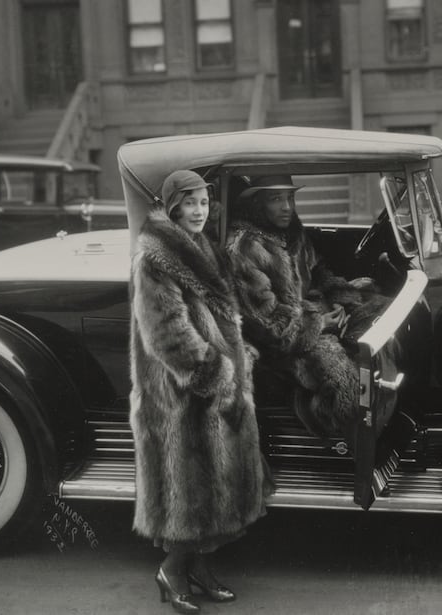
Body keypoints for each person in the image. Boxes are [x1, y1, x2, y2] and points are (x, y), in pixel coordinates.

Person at [129, 169, 273, 614]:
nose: (199, 211)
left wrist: (237, 351)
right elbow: (168, 334)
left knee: (213, 491)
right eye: (190, 203)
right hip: (179, 395)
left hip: (211, 387)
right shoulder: (156, 256)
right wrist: (219, 377)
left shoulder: (200, 245)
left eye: (204, 203)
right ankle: (171, 571)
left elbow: (217, 316)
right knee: (187, 494)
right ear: (172, 206)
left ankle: (198, 569)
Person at [225, 174, 387, 438]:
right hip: (278, 345)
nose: (287, 206)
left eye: (290, 197)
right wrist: (320, 323)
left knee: (380, 311)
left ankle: (381, 418)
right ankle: (322, 422)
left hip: (311, 316)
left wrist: (343, 301)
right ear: (257, 203)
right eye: (276, 199)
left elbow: (319, 272)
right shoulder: (244, 248)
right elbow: (267, 324)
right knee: (347, 382)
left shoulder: (291, 232)